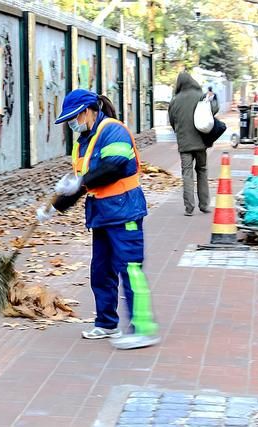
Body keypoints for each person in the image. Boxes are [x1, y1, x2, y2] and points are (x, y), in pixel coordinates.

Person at [36, 89, 160, 350]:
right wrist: (55, 206)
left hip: (124, 211)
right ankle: (106, 323)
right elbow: (81, 186)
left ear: (86, 111)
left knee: (130, 269)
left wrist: (81, 180)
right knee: (101, 272)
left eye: (73, 118)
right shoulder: (83, 141)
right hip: (102, 215)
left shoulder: (113, 130)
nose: (71, 124)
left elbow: (113, 166)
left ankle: (144, 328)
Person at [168, 72, 219, 216]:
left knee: (187, 174)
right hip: (201, 142)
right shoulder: (201, 95)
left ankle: (189, 208)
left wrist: (179, 132)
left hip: (184, 143)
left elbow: (172, 120)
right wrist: (214, 99)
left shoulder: (175, 100)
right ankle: (204, 205)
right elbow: (213, 110)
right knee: (202, 170)